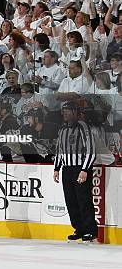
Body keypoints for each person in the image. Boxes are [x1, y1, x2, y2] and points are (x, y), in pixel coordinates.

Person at [53, 101, 98, 242]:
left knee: (83, 200)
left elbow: (90, 150)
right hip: (67, 170)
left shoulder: (82, 126)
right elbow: (59, 150)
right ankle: (79, 228)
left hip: (80, 169)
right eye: (63, 110)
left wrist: (85, 169)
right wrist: (56, 168)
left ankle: (90, 230)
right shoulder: (62, 129)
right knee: (71, 201)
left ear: (75, 111)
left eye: (68, 110)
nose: (65, 113)